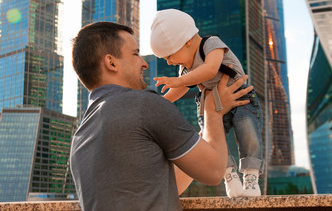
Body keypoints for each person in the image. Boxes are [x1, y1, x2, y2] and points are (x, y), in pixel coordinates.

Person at [70, 21, 254, 211]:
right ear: (111, 62)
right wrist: (213, 111)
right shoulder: (144, 104)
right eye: (135, 54)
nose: (144, 64)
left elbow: (164, 185)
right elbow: (214, 171)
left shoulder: (79, 138)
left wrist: (202, 134)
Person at [150, 9, 264, 198]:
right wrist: (162, 102)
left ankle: (251, 177)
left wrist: (178, 81)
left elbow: (210, 70)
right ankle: (229, 174)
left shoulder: (211, 44)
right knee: (210, 142)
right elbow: (183, 86)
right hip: (210, 102)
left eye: (169, 56)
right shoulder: (185, 67)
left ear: (186, 41)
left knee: (248, 133)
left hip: (240, 98)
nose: (169, 62)